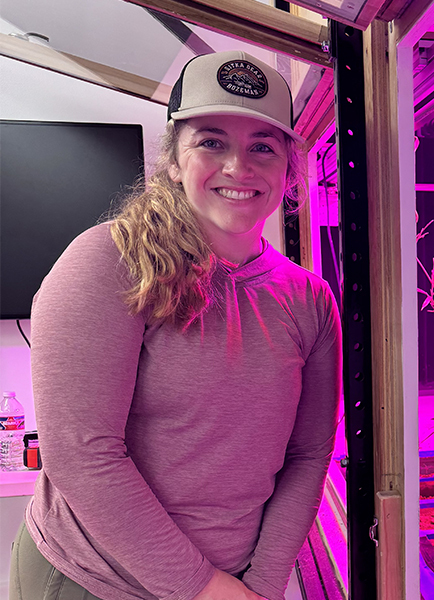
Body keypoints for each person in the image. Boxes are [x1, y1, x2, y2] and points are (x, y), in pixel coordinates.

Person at [9, 51, 341, 600]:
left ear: (288, 167)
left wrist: (260, 584)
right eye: (212, 141)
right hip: (97, 580)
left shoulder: (310, 300)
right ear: (172, 159)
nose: (239, 166)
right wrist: (206, 589)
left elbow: (308, 455)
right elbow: (83, 453)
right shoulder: (109, 261)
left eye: (263, 145)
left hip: (236, 584)